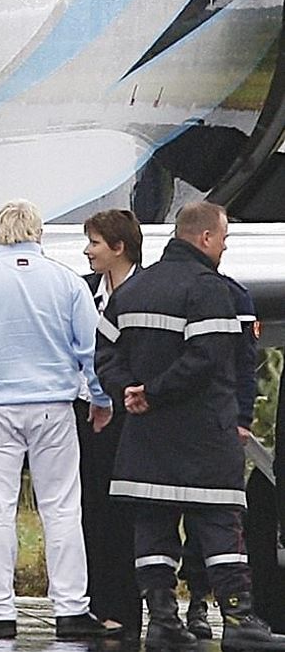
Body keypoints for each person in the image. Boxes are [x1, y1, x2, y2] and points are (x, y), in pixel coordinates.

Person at [97, 201, 285, 652]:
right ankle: (239, 620)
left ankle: (162, 620)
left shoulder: (134, 288)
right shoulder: (211, 291)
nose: (224, 246)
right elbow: (210, 358)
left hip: (145, 440)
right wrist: (156, 393)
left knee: (154, 530)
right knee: (222, 529)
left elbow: (104, 353)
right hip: (202, 439)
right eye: (222, 238)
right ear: (204, 238)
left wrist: (130, 392)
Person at [0, 199, 112, 639]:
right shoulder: (68, 283)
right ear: (39, 234)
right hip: (54, 408)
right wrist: (100, 397)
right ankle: (70, 609)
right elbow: (91, 349)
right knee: (62, 508)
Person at [76, 209, 144, 637]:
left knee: (128, 514)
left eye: (95, 243)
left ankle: (129, 608)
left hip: (132, 415)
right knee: (91, 508)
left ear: (119, 247)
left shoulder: (147, 291)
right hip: (85, 414)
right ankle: (98, 604)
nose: (87, 251)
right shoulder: (83, 291)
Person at [180, 273, 258, 639]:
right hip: (177, 418)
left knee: (208, 518)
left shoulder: (234, 295)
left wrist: (242, 417)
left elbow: (245, 362)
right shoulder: (170, 290)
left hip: (215, 422)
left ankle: (199, 598)